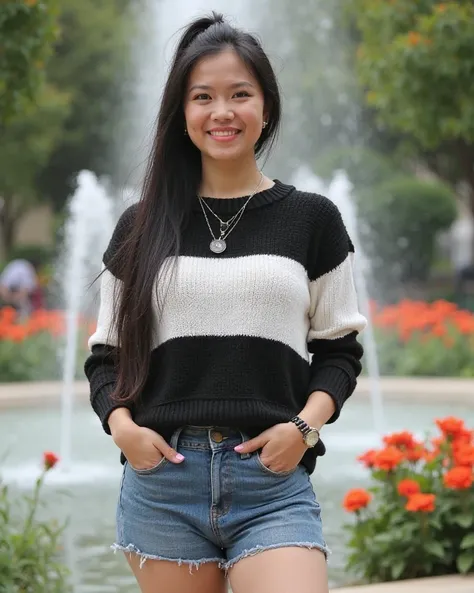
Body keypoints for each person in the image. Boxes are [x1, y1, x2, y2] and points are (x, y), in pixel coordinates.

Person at [85, 12, 366, 593]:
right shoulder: (140, 227)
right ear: (181, 114)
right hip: (164, 482)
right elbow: (105, 357)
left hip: (271, 480)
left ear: (266, 106)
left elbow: (338, 352)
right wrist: (122, 429)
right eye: (203, 97)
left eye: (241, 94)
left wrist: (303, 428)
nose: (222, 112)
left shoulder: (312, 219)